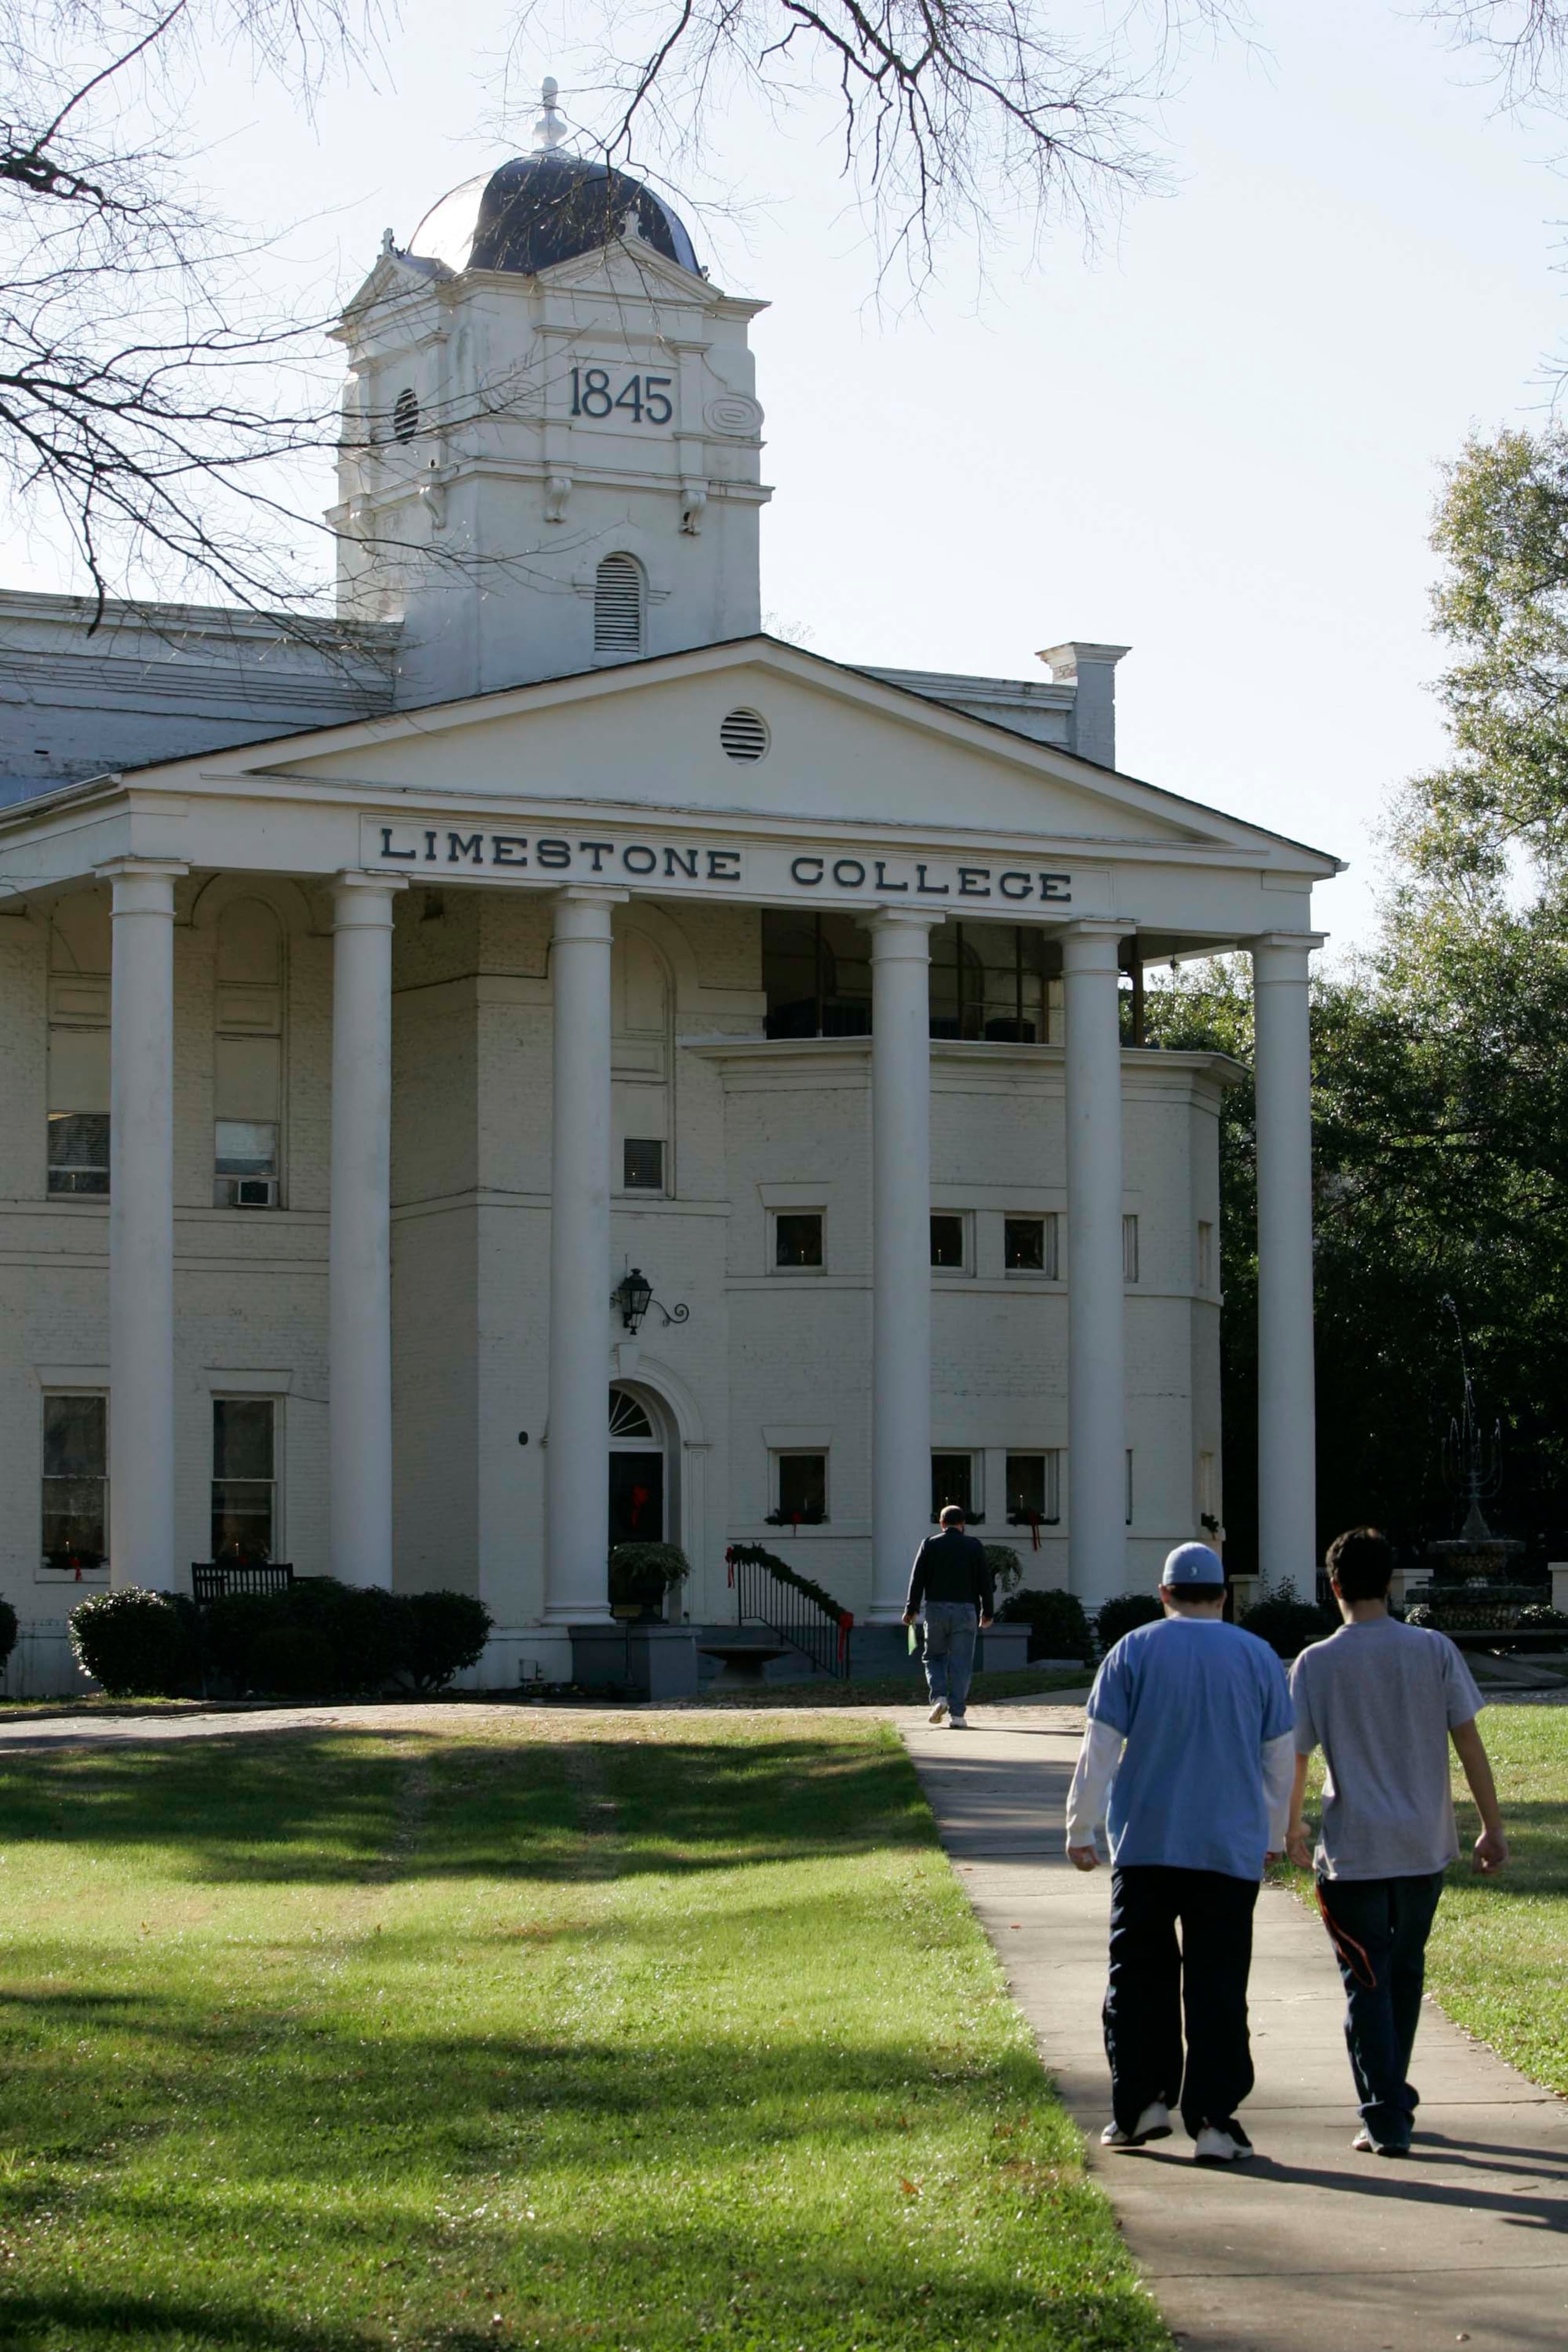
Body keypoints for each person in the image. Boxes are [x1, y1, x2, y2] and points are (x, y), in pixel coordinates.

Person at [1066, 1542, 1295, 2164]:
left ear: (1163, 1593)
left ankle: (1141, 2104)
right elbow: (1279, 1757)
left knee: (1137, 1978)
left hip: (1146, 1843)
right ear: (1225, 1595)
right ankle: (1215, 2121)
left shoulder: (1132, 1651)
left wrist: (1080, 1827)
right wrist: (1274, 1836)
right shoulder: (1257, 1658)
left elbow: (1100, 1748)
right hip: (1227, 1848)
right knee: (1218, 1984)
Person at [1286, 1525, 1508, 2158]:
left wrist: (1289, 1826)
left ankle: (1384, 2113)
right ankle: (1391, 2095)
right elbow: (1469, 1744)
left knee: (1367, 1982)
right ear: (1390, 1583)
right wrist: (1491, 1826)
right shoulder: (1433, 1650)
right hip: (1423, 1846)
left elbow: (1294, 1759)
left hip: (1353, 1852)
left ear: (1332, 1587)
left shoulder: (1315, 1663)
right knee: (1403, 1974)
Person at [903, 1504, 995, 1728]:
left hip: (936, 1609)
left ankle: (939, 1697)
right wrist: (988, 1612)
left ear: (942, 1524)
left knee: (934, 1657)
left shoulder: (930, 1544)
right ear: (963, 1525)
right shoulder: (974, 1546)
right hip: (966, 1610)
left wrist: (911, 1608)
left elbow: (918, 1580)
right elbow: (985, 1582)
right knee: (961, 1663)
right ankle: (958, 1715)